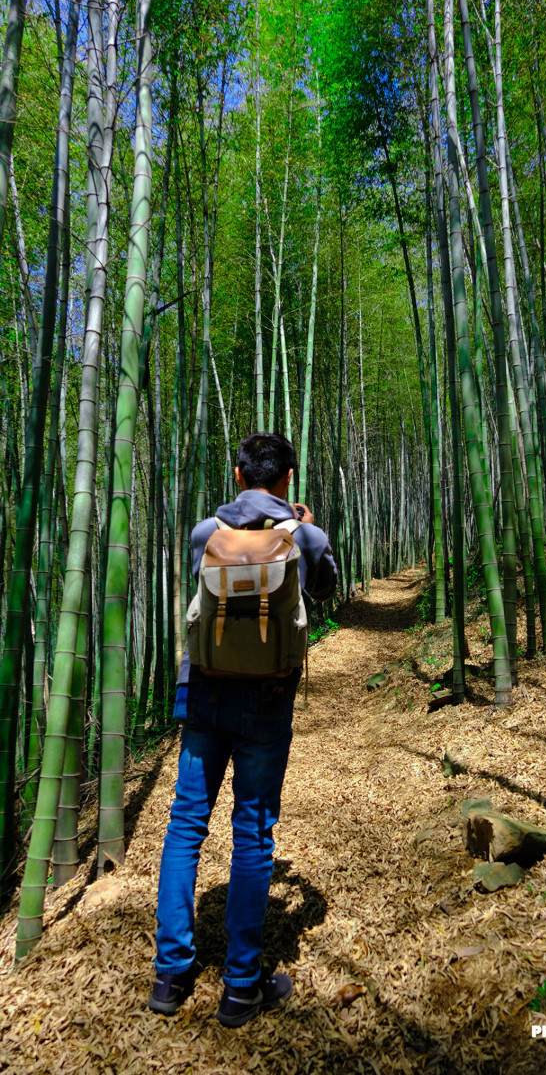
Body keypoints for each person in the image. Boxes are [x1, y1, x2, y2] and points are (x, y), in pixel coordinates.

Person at [148, 432, 337, 1027]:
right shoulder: (304, 535)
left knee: (185, 827)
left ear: (236, 475)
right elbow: (328, 589)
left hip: (201, 691)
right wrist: (305, 527)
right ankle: (240, 987)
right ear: (288, 477)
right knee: (252, 833)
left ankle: (171, 975)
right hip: (267, 697)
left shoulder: (208, 532)